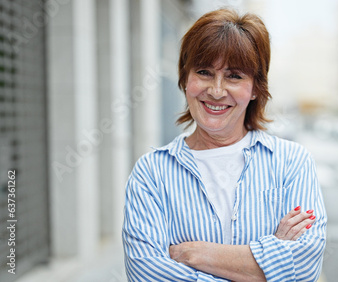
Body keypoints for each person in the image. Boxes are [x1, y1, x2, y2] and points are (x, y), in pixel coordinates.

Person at [122, 8, 327, 282]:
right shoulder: (152, 174)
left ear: (255, 87)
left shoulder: (291, 162)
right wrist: (270, 263)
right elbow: (146, 274)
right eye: (204, 72)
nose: (217, 91)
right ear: (185, 79)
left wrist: (196, 255)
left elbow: (304, 269)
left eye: (234, 76)